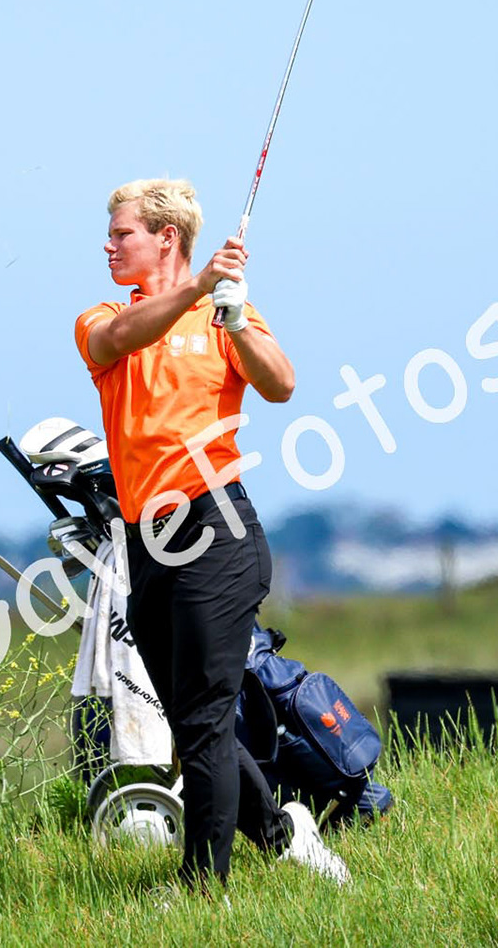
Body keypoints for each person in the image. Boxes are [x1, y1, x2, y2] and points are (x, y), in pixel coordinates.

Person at [74, 177, 348, 889]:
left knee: (201, 721)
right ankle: (286, 835)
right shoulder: (105, 317)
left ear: (165, 237)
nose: (108, 246)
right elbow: (120, 338)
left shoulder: (224, 312)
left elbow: (281, 384)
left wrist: (236, 322)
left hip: (216, 529)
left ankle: (202, 888)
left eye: (122, 233)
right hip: (146, 543)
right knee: (197, 722)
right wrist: (199, 287)